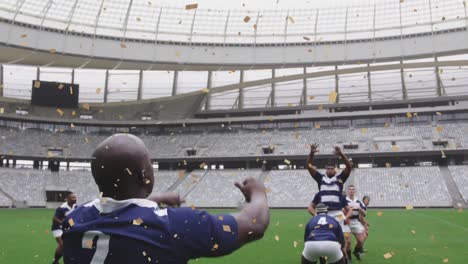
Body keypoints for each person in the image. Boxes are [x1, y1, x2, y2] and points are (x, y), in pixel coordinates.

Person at [61, 134, 269, 264]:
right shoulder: (175, 224)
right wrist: (258, 192)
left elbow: (118, 210)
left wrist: (156, 198)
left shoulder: (73, 220)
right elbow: (254, 224)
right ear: (145, 176)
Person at [308, 190, 352, 263]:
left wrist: (346, 218)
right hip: (324, 218)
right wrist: (317, 216)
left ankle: (345, 259)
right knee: (323, 240)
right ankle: (323, 261)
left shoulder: (339, 195)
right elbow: (310, 207)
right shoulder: (320, 194)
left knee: (341, 244)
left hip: (339, 219)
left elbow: (349, 210)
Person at [51, 192, 77, 264]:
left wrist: (73, 225)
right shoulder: (62, 208)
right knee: (62, 244)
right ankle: (55, 261)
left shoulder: (75, 206)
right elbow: (54, 218)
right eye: (73, 197)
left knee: (70, 244)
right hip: (57, 227)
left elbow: (71, 218)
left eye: (75, 197)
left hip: (66, 228)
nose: (75, 199)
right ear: (68, 199)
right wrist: (63, 223)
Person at [344, 185, 366, 261]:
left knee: (361, 240)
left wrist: (359, 209)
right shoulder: (344, 201)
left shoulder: (359, 202)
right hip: (347, 223)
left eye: (353, 189)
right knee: (348, 242)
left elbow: (364, 214)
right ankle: (349, 258)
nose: (351, 191)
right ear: (347, 191)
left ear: (355, 191)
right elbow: (341, 211)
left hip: (355, 222)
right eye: (350, 189)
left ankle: (356, 251)